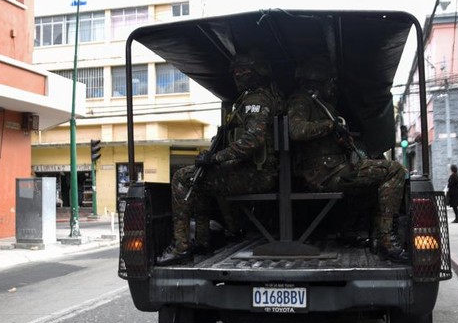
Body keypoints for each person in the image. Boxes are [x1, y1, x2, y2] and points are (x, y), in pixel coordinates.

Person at [156, 52, 283, 266]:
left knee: (182, 177)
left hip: (256, 174)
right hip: (255, 171)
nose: (238, 75)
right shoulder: (256, 97)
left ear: (258, 73)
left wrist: (215, 158)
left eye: (244, 71)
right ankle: (203, 240)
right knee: (200, 179)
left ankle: (181, 247)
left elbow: (253, 140)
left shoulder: (257, 100)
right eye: (236, 71)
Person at [287, 57, 409, 263]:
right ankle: (386, 241)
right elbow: (296, 130)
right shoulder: (301, 101)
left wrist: (342, 139)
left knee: (373, 181)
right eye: (329, 81)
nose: (332, 86)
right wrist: (330, 126)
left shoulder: (321, 104)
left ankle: (353, 232)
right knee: (394, 170)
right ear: (317, 80)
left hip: (334, 169)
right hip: (324, 174)